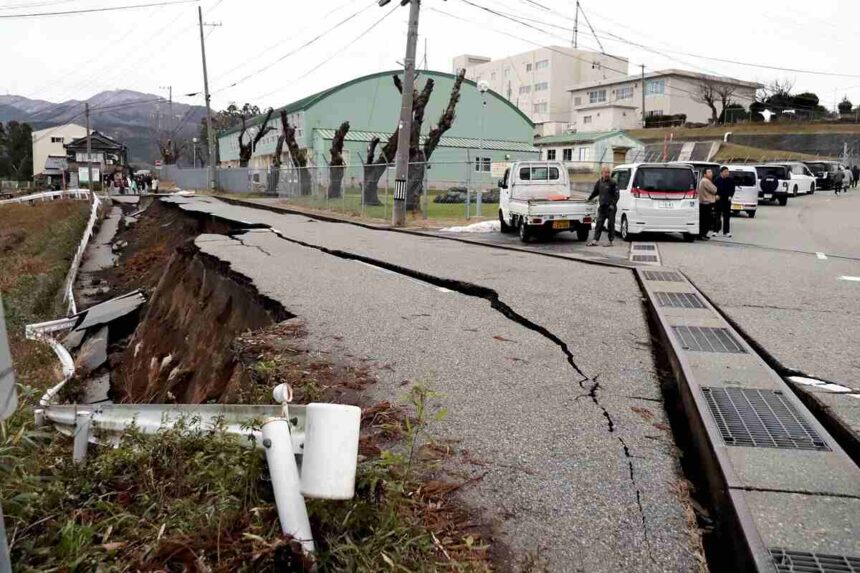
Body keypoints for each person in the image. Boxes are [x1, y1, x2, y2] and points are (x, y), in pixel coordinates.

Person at [587, 166, 619, 246]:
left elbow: (616, 196)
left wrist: (612, 204)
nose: (607, 174)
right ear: (602, 173)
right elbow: (595, 192)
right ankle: (595, 240)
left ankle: (610, 241)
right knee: (599, 224)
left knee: (610, 225)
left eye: (608, 172)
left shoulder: (613, 183)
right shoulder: (599, 182)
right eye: (606, 172)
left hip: (610, 208)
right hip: (602, 207)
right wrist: (589, 199)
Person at [714, 166, 736, 238]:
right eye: (725, 172)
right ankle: (716, 231)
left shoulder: (731, 180)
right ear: (721, 173)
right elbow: (713, 189)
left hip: (727, 200)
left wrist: (730, 196)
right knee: (717, 216)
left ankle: (726, 232)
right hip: (719, 200)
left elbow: (733, 189)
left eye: (728, 172)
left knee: (726, 216)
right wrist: (716, 195)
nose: (727, 173)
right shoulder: (717, 180)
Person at [697, 168, 717, 240]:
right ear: (704, 174)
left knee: (704, 220)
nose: (711, 174)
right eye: (709, 172)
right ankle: (702, 234)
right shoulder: (706, 181)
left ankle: (702, 234)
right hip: (706, 203)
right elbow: (715, 190)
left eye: (711, 172)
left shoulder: (704, 181)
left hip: (704, 203)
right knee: (706, 220)